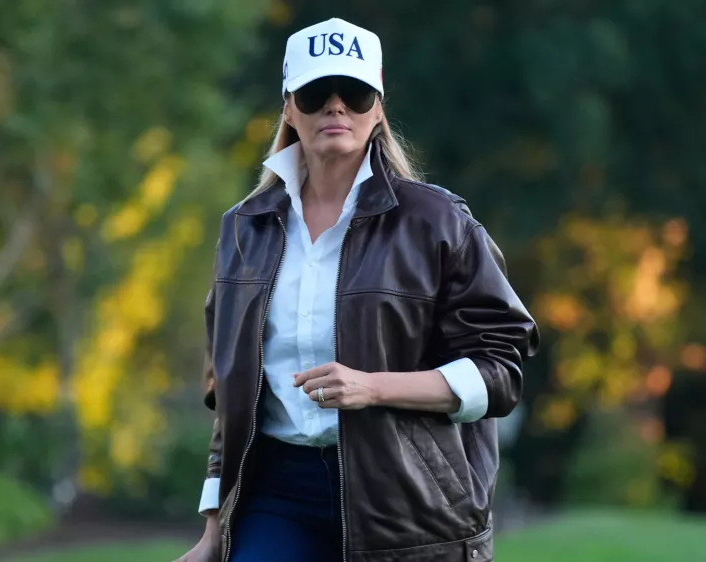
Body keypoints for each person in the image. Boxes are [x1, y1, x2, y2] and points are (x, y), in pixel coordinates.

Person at [174, 17, 540, 562]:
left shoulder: (439, 222)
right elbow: (227, 396)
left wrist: (374, 387)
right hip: (275, 495)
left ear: (378, 108)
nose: (336, 107)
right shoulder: (242, 229)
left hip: (407, 503)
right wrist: (211, 533)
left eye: (356, 92)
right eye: (317, 92)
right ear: (289, 107)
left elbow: (501, 372)